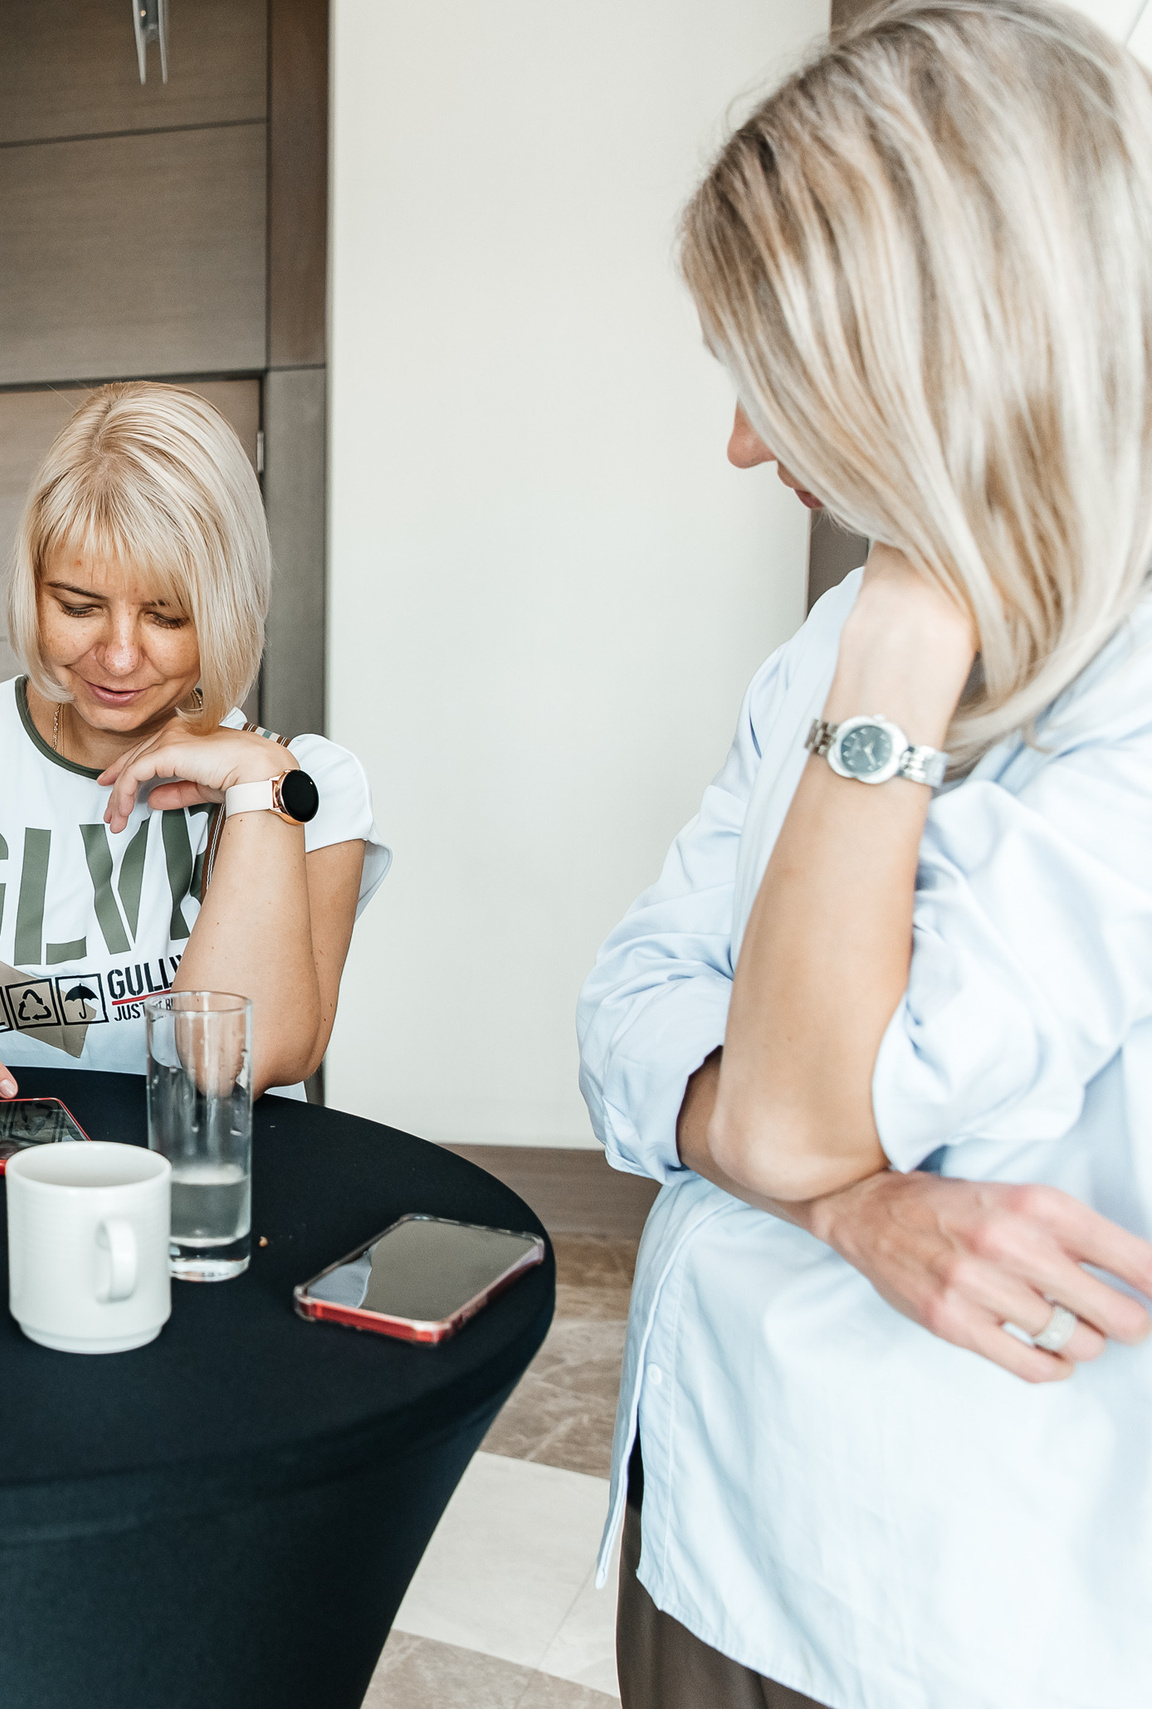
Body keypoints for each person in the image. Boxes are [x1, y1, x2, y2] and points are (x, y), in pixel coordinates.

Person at [578, 5, 1152, 1704]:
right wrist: (850, 1200)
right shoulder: (822, 634)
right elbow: (625, 1012)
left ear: (931, 360)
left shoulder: (1008, 657)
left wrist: (907, 628)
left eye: (773, 379)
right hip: (704, 1500)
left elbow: (791, 1102)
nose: (748, 445)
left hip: (944, 1603)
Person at [0, 382, 389, 1100]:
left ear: (229, 607)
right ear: (32, 590)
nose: (120, 656)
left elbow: (234, 1064)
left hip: (197, 1194)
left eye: (167, 616)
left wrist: (258, 784)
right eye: (79, 606)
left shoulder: (304, 784)